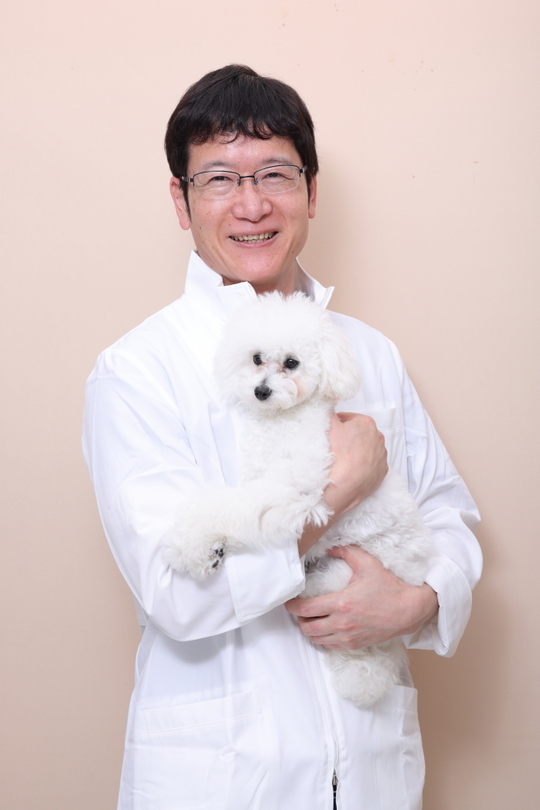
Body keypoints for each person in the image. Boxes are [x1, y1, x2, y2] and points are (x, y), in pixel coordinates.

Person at [83, 64, 482, 810]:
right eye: (219, 179)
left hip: (371, 771)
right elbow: (176, 591)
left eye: (275, 174)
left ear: (312, 191)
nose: (252, 204)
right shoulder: (137, 369)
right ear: (181, 200)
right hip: (223, 779)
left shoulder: (372, 354)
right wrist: (340, 488)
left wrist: (417, 604)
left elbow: (447, 518)